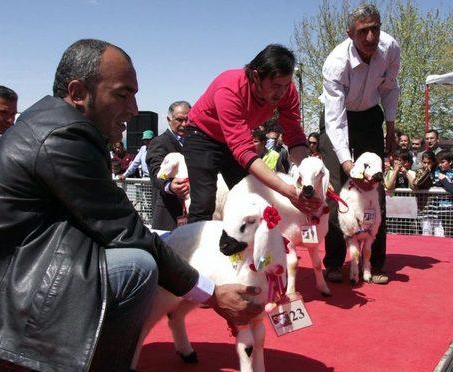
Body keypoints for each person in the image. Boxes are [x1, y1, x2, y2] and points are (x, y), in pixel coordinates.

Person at [0, 39, 262, 372]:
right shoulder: (65, 137)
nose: (133, 109)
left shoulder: (52, 123)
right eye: (123, 95)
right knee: (135, 269)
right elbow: (127, 233)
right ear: (78, 93)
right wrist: (211, 293)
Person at [183, 44, 318, 223]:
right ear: (256, 76)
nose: (282, 92)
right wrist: (287, 191)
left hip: (234, 139)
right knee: (204, 202)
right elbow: (243, 150)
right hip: (202, 136)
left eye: (286, 85)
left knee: (255, 196)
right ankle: (194, 247)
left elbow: (294, 133)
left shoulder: (287, 90)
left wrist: (308, 173)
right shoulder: (229, 89)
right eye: (276, 85)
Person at [318, 3, 400, 284]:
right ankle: (333, 262)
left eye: (375, 29)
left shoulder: (391, 48)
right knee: (337, 188)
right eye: (363, 31)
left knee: (374, 187)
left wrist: (390, 126)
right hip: (338, 120)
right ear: (350, 34)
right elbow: (336, 121)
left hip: (370, 117)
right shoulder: (335, 63)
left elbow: (390, 88)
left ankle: (376, 264)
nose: (370, 38)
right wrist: (347, 164)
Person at [146, 100, 191, 230]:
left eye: (187, 120)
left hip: (192, 212)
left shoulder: (195, 142)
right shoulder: (159, 143)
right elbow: (156, 172)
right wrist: (169, 186)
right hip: (168, 213)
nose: (184, 124)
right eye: (179, 120)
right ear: (169, 119)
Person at [428, 151, 453, 237]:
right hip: (438, 210)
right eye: (439, 162)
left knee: (450, 234)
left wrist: (444, 179)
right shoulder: (436, 172)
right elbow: (436, 185)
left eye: (442, 162)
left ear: (450, 162)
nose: (440, 165)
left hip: (452, 211)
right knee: (439, 235)